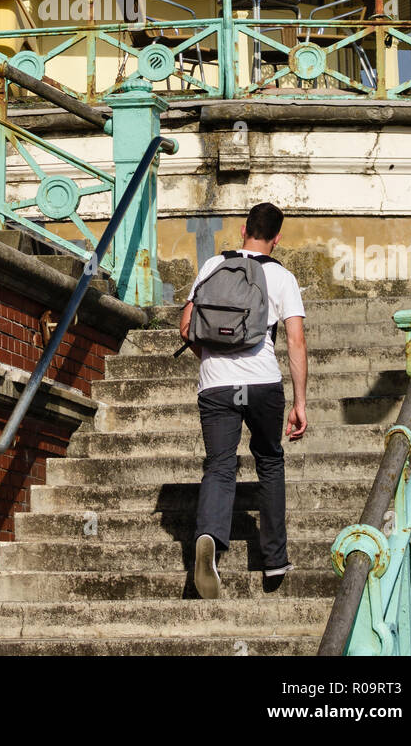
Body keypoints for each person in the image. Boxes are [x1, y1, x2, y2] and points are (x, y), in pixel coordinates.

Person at [179, 202, 307, 599]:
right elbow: (296, 341)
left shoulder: (212, 267)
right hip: (263, 383)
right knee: (269, 461)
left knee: (220, 465)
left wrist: (213, 361)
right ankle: (273, 559)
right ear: (277, 237)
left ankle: (208, 538)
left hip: (216, 385)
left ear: (242, 229)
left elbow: (186, 327)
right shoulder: (282, 277)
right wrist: (300, 402)